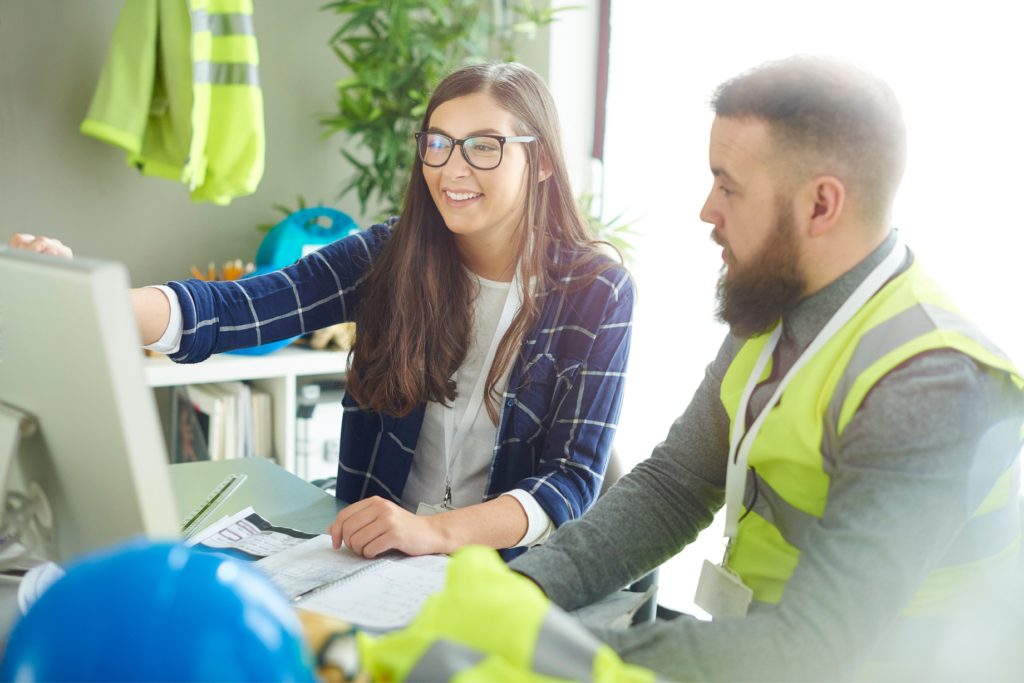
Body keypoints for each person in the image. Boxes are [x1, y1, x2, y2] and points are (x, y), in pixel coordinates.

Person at [500, 56, 1024, 681]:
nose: (705, 210)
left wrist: (542, 649)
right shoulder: (781, 304)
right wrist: (520, 593)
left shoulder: (932, 379)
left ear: (821, 205)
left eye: (728, 185)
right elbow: (674, 486)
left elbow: (815, 648)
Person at [11, 62, 633, 562]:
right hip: (368, 558)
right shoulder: (393, 254)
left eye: (484, 147)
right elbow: (239, 308)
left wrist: (435, 532)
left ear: (543, 160)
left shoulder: (599, 292)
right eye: (437, 144)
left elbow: (571, 482)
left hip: (502, 572)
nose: (451, 168)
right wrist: (88, 299)